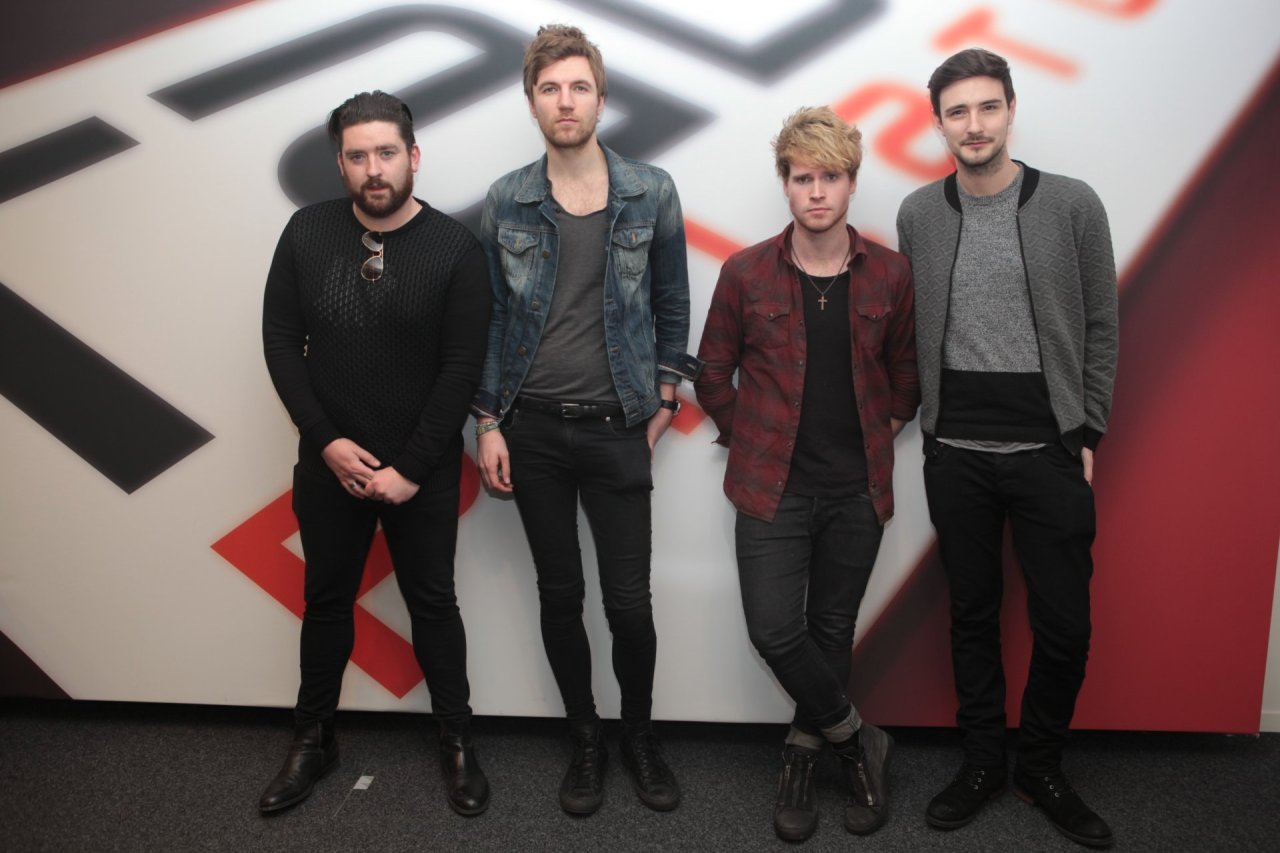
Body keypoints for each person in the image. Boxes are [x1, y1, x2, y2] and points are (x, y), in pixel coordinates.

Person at [471, 24, 701, 816]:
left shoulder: (651, 191)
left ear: (602, 99)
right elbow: (492, 319)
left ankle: (639, 734)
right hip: (530, 428)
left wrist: (664, 400)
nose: (564, 101)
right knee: (559, 593)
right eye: (550, 88)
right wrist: (488, 422)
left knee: (628, 603)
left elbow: (673, 303)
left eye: (578, 87)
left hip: (617, 427)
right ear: (531, 100)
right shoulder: (506, 198)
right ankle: (585, 736)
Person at [896, 49, 1119, 848]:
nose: (974, 124)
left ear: (1012, 109)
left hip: (1048, 448)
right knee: (972, 614)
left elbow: (1101, 322)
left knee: (1065, 625)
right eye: (957, 111)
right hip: (955, 451)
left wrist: (1087, 428)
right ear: (939, 123)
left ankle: (1042, 765)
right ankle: (984, 760)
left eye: (987, 106)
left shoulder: (1072, 204)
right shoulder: (919, 214)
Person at [259, 91, 492, 817]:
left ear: (413, 156)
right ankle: (313, 740)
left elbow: (461, 368)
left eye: (386, 152)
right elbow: (280, 343)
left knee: (433, 604)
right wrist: (326, 443)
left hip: (419, 468)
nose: (374, 169)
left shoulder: (455, 249)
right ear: (341, 164)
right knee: (326, 602)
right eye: (357, 156)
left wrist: (411, 469)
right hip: (329, 463)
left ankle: (457, 740)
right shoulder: (306, 232)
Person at [694, 107, 919, 841]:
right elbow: (712, 374)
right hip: (771, 489)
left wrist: (873, 437)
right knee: (774, 629)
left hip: (858, 489)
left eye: (830, 177)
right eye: (801, 178)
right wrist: (752, 439)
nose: (816, 191)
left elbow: (906, 379)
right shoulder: (745, 272)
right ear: (785, 185)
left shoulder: (891, 273)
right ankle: (857, 740)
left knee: (831, 628)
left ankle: (801, 751)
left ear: (852, 183)